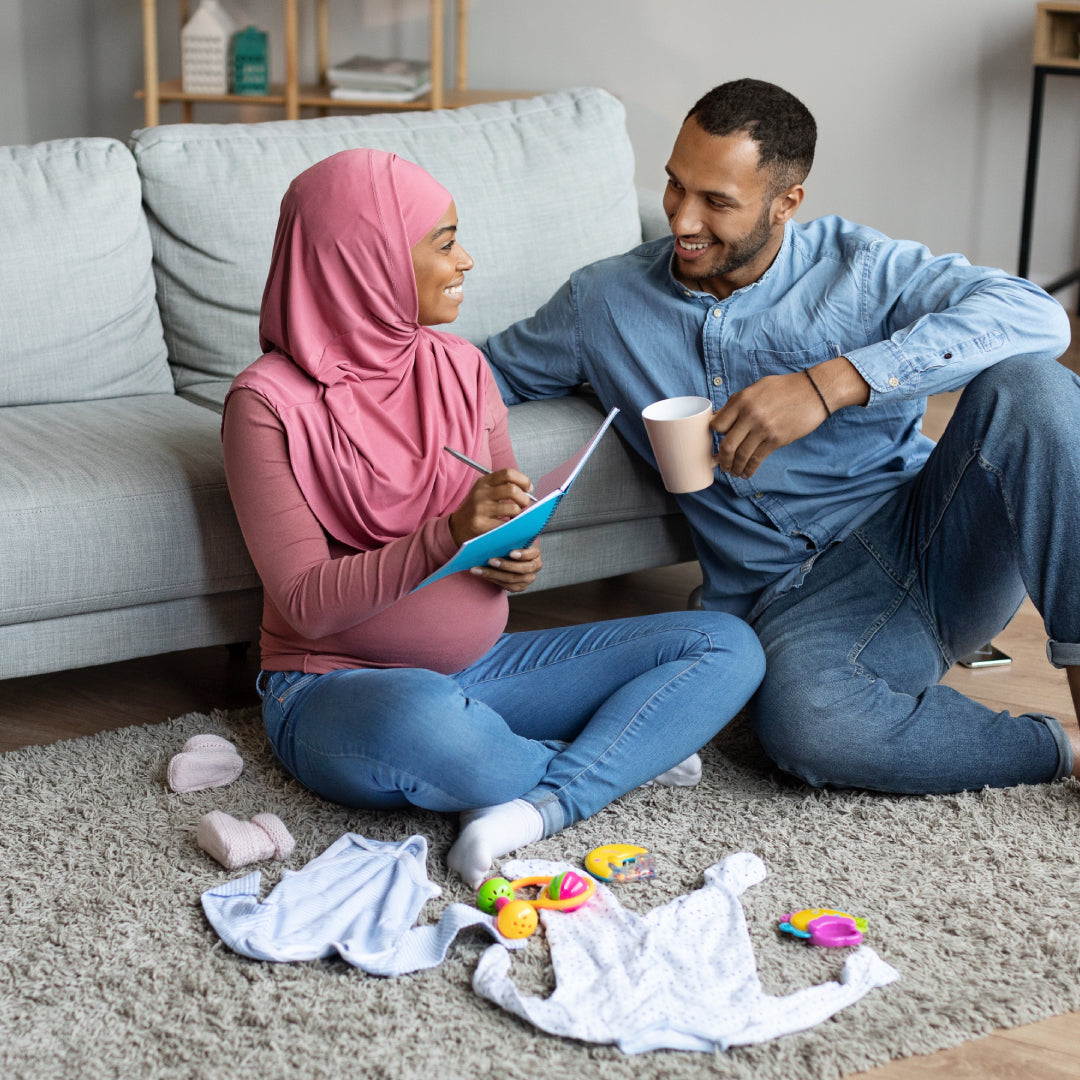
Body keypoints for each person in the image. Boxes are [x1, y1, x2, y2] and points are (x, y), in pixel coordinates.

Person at [484, 77, 1080, 796]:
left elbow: (1039, 318)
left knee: (1031, 388)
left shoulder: (861, 270)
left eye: (717, 201)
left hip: (932, 541)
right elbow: (481, 378)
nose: (681, 220)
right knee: (809, 728)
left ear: (787, 202)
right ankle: (1061, 748)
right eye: (676, 186)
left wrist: (831, 383)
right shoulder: (603, 302)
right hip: (788, 604)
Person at [221, 148, 765, 888]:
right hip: (338, 689)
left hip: (485, 671)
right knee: (428, 721)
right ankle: (613, 755)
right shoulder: (265, 404)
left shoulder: (462, 368)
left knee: (727, 645)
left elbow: (500, 529)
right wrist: (446, 535)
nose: (466, 260)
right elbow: (307, 606)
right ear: (367, 259)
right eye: (444, 242)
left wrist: (512, 557)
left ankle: (530, 805)